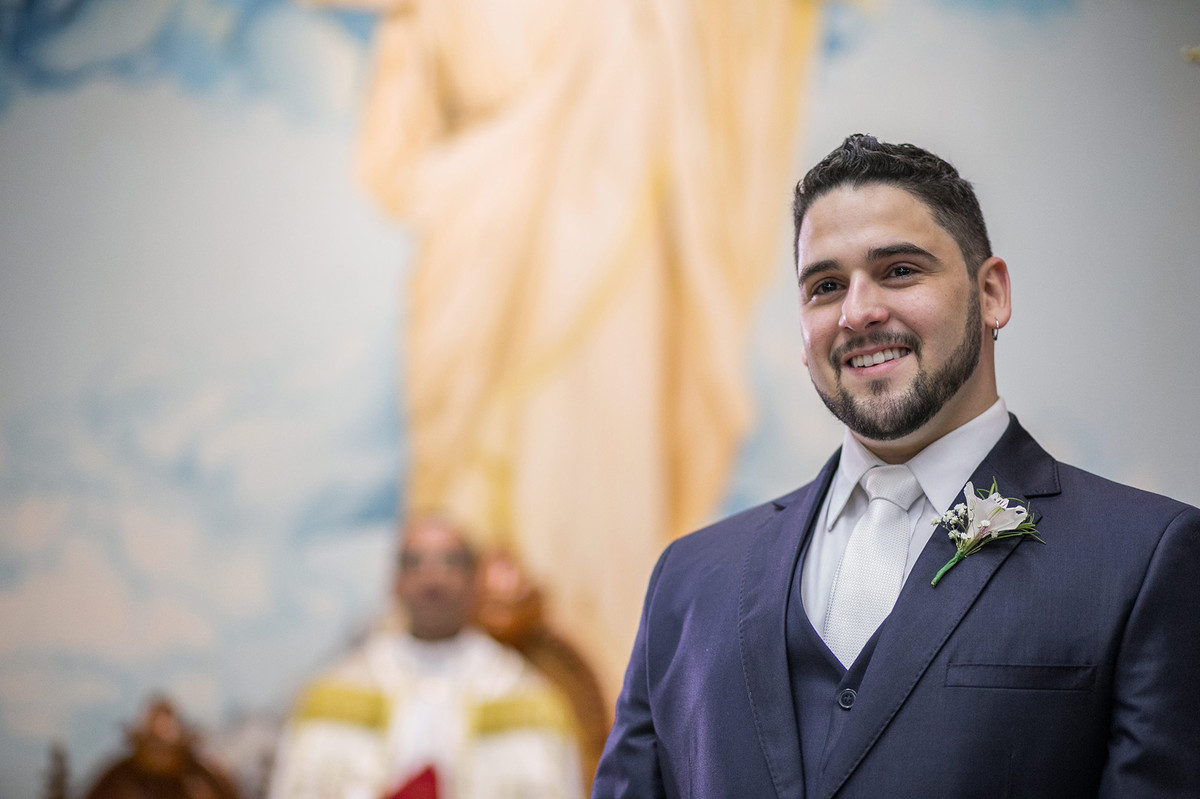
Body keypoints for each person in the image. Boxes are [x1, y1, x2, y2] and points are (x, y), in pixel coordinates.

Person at [592, 134, 1200, 798]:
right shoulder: (687, 580)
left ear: (991, 293)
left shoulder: (1145, 559)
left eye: (900, 270)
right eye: (826, 286)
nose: (858, 313)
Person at [269, 517, 583, 799]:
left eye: (450, 562)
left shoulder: (526, 698)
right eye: (415, 563)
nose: (433, 578)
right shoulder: (333, 695)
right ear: (395, 583)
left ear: (474, 581)